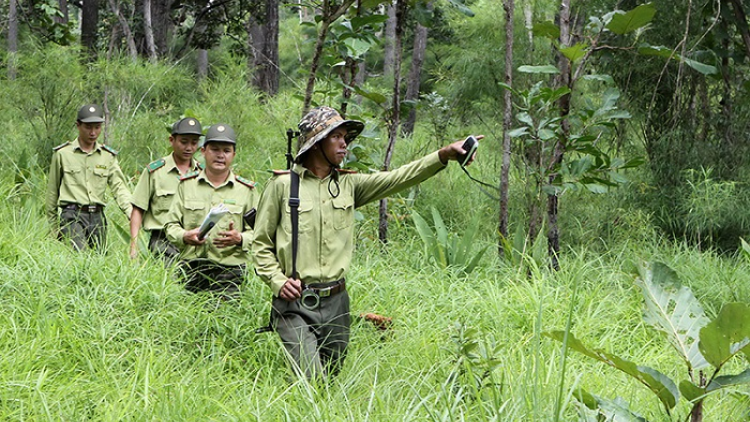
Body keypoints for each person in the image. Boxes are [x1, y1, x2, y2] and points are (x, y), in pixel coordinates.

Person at [252, 106, 480, 380]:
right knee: (312, 379)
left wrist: (442, 155)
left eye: (345, 137)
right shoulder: (282, 187)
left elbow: (398, 178)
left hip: (337, 303)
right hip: (295, 305)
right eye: (335, 136)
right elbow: (260, 244)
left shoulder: (349, 185)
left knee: (329, 381)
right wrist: (278, 280)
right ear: (316, 142)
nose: (344, 144)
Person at [163, 123, 258, 296]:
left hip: (230, 271)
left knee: (225, 320)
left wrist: (240, 238)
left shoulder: (246, 190)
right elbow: (170, 225)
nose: (221, 155)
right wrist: (185, 236)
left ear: (234, 155)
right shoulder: (186, 185)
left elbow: (260, 233)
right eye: (214, 149)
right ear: (203, 151)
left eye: (226, 151)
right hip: (191, 268)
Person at [46, 104, 132, 251]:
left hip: (97, 217)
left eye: (97, 127)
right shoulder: (63, 154)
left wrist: (131, 213)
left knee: (99, 262)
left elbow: (119, 187)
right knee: (80, 255)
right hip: (72, 216)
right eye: (88, 127)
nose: (93, 132)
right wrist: (53, 228)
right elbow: (52, 192)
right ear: (78, 125)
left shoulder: (107, 156)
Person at [130, 117, 204, 261]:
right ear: (172, 140)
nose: (189, 148)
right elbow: (138, 209)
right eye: (184, 142)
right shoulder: (156, 172)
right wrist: (134, 246)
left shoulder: (203, 174)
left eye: (194, 142)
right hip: (162, 242)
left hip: (193, 241)